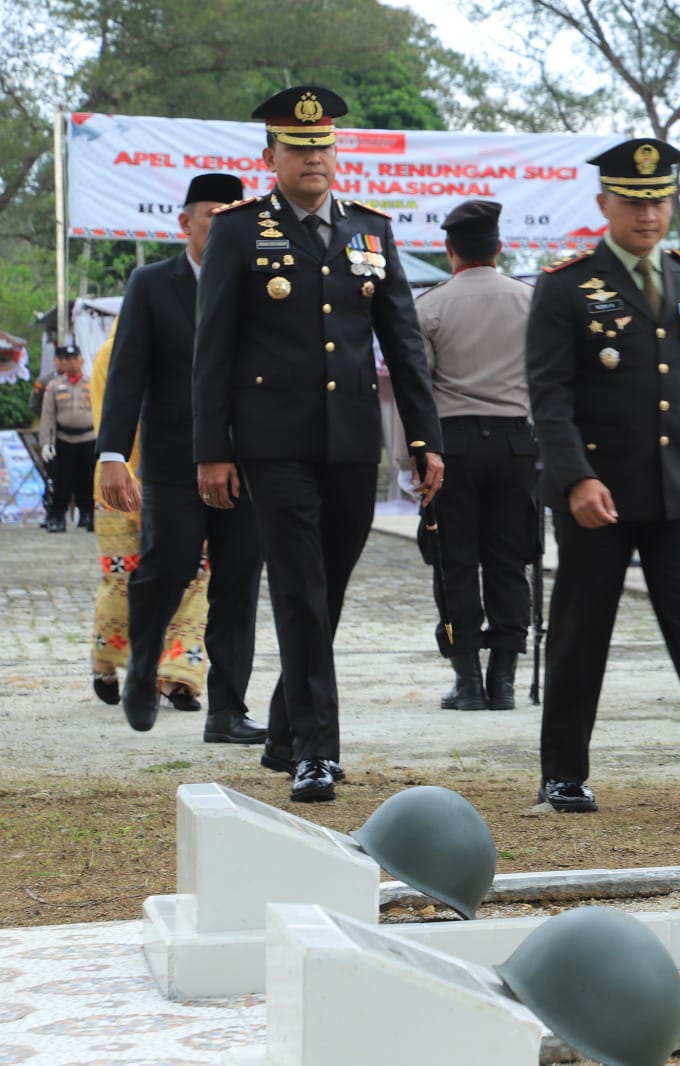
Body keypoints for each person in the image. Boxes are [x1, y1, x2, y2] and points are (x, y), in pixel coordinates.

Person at [192, 85, 443, 802]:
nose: (313, 159)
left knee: (325, 592)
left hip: (352, 442)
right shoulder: (241, 230)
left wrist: (424, 439)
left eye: (323, 147)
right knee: (299, 591)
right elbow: (213, 350)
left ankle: (282, 730)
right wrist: (213, 449)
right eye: (298, 148)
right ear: (270, 156)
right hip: (273, 444)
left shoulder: (370, 231)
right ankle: (316, 751)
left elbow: (404, 344)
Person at [526, 136, 680, 815]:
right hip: (599, 493)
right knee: (580, 631)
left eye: (658, 201)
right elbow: (549, 396)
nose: (648, 215)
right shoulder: (566, 285)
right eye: (632, 202)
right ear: (604, 205)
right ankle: (564, 774)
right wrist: (574, 479)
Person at [97, 172, 267, 743]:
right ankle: (143, 667)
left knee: (238, 583)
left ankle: (228, 710)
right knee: (166, 568)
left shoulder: (261, 283)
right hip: (174, 458)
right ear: (185, 222)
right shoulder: (152, 283)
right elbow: (127, 373)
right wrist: (112, 454)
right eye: (211, 215)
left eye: (230, 217)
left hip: (246, 460)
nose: (220, 226)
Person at [414, 199, 537, 711]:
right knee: (509, 562)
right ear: (499, 247)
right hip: (515, 445)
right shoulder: (530, 301)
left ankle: (466, 681)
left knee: (455, 563)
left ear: (450, 251)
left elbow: (416, 392)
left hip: (451, 447)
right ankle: (503, 680)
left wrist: (412, 463)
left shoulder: (430, 306)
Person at [88, 323, 211, 712]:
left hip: (176, 482)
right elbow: (110, 419)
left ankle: (176, 673)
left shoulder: (186, 343)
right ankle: (108, 660)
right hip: (122, 484)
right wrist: (131, 479)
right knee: (125, 580)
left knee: (193, 577)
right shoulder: (112, 352)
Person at [39, 345, 95, 533]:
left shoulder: (92, 383)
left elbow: (102, 411)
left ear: (82, 361)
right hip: (64, 439)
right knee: (62, 480)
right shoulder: (54, 386)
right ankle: (57, 517)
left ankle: (88, 515)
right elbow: (48, 415)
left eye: (74, 358)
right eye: (67, 359)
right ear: (63, 362)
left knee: (88, 480)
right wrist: (46, 443)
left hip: (88, 438)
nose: (71, 363)